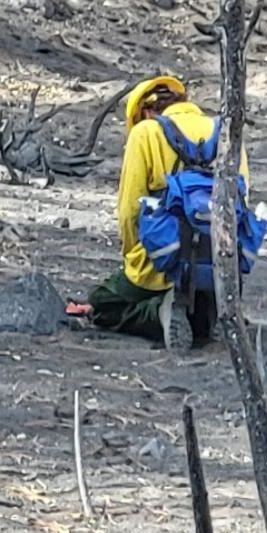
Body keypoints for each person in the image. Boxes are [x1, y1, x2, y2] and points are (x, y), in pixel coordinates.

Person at [91, 73, 223, 346]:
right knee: (200, 308)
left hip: (163, 256)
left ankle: (159, 312)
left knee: (102, 303)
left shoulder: (146, 132)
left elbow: (130, 211)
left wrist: (133, 259)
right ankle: (206, 313)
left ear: (146, 111)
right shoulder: (222, 130)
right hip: (218, 263)